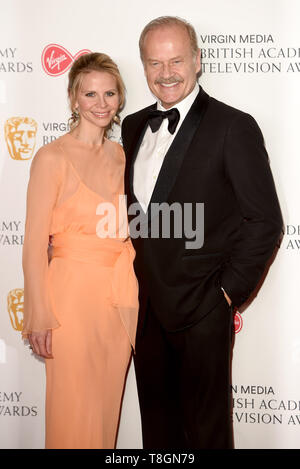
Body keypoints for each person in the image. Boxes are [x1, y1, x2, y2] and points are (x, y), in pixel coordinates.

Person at [121, 16, 283, 449]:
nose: (167, 72)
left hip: (203, 310)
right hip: (147, 310)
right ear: (143, 66)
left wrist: (225, 294)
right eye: (155, 63)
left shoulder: (233, 126)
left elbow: (265, 221)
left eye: (176, 60)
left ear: (197, 61)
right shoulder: (133, 126)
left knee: (206, 434)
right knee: (158, 432)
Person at [22, 52, 138, 449]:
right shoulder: (51, 158)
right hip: (69, 299)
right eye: (90, 94)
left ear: (120, 99)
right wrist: (39, 315)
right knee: (72, 408)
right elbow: (34, 245)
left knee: (106, 409)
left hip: (119, 298)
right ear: (73, 99)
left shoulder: (125, 157)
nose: (101, 103)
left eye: (109, 93)